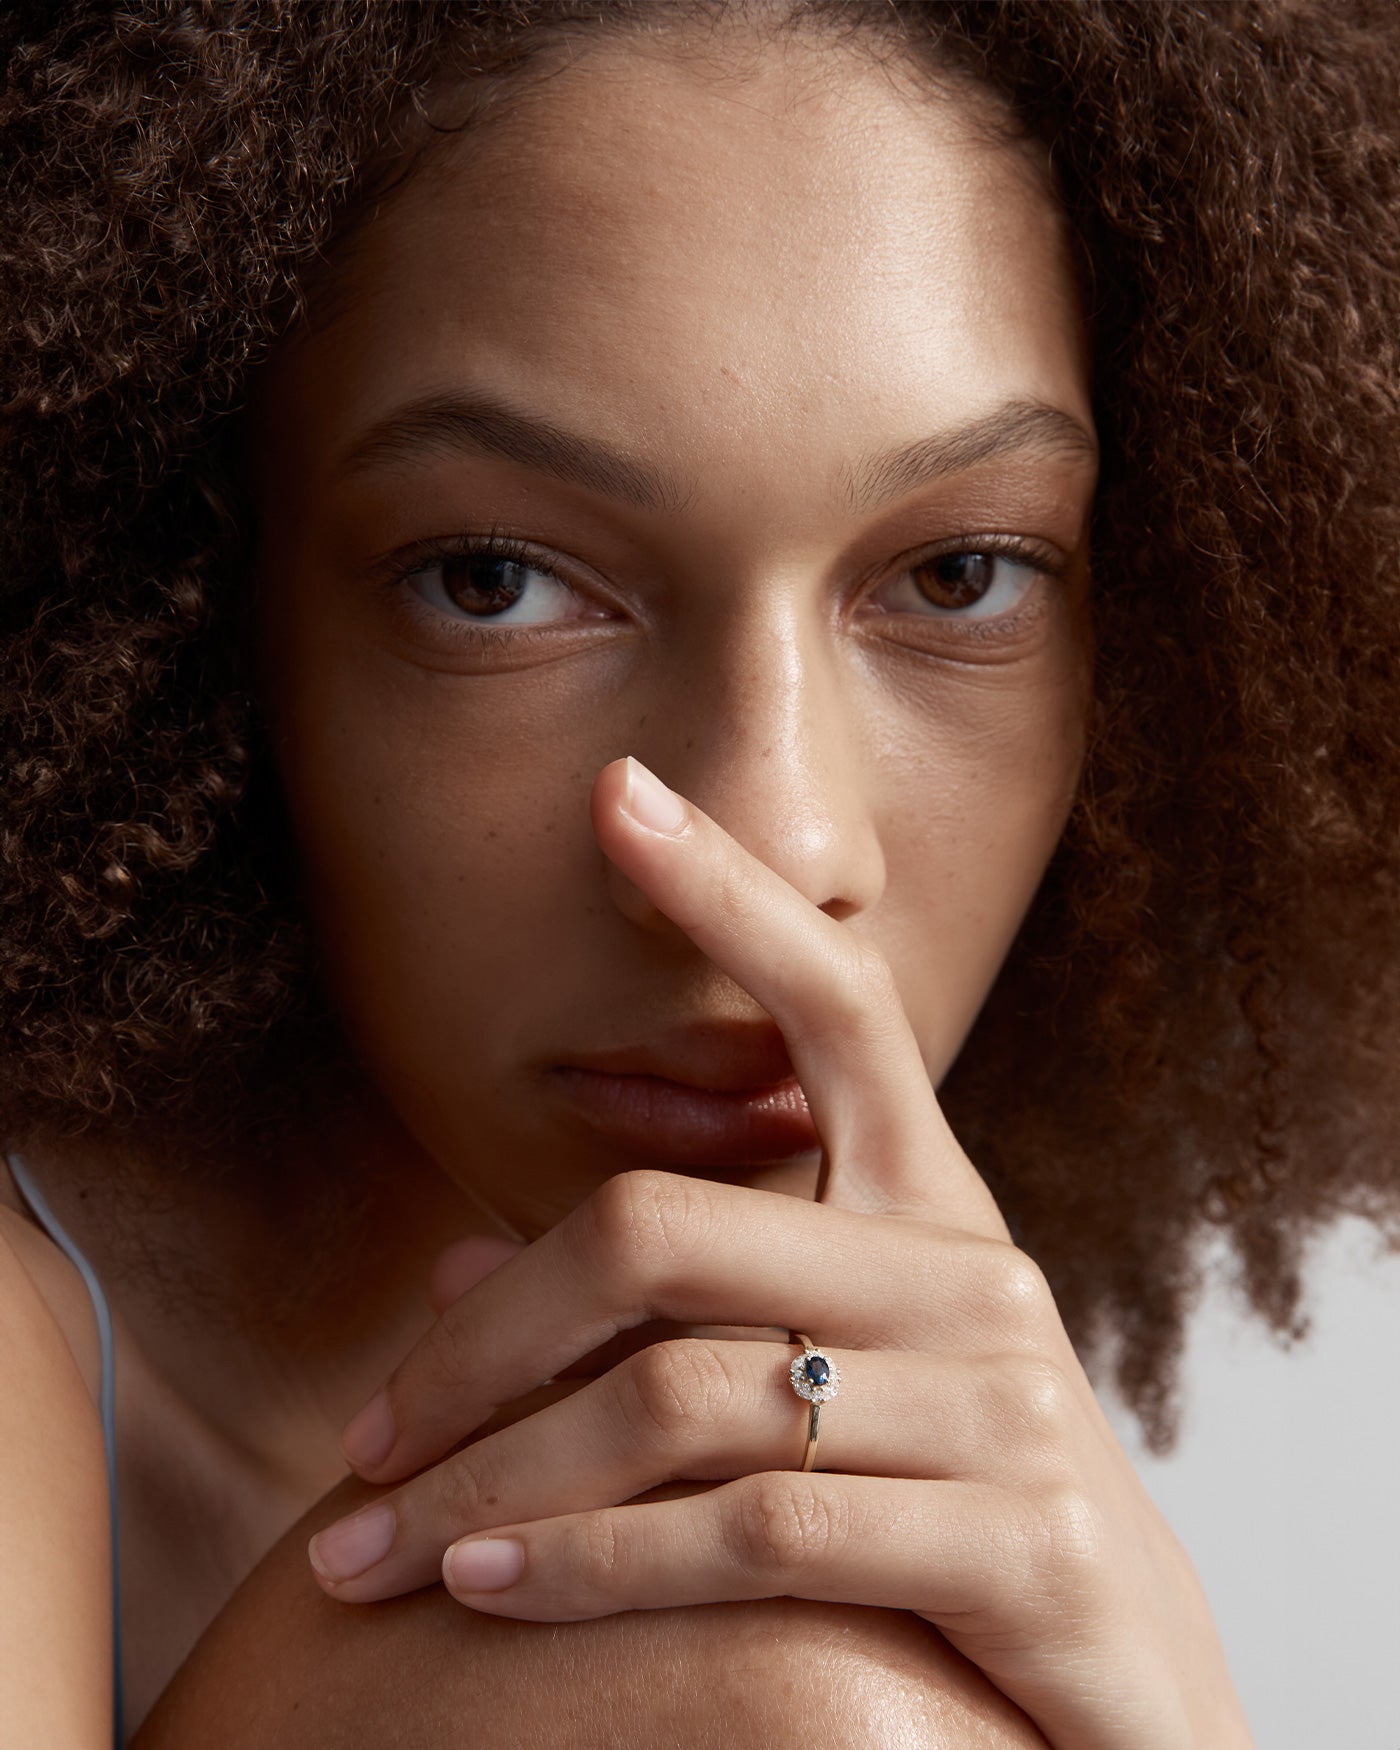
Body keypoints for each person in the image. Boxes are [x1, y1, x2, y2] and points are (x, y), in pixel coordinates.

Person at [2, 1, 1397, 1743]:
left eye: (963, 575)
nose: (781, 843)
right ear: (207, 591)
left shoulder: (887, 1400)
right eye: (497, 581)